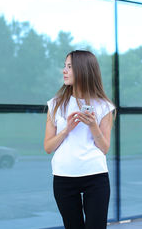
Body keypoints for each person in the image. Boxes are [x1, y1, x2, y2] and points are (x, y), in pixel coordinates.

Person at [44, 50, 116, 229]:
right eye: (65, 66)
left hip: (95, 177)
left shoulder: (104, 106)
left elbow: (105, 148)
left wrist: (93, 125)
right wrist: (66, 130)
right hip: (63, 177)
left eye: (69, 66)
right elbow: (47, 147)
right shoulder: (55, 104)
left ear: (83, 70)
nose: (64, 70)